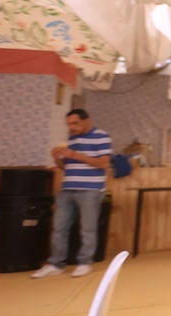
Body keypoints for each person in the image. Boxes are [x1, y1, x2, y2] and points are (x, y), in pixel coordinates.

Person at [32, 108, 112, 278]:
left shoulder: (101, 136)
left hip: (91, 189)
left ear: (87, 120)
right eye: (69, 124)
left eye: (75, 123)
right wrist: (57, 158)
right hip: (67, 188)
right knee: (59, 227)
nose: (72, 127)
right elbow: (66, 167)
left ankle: (85, 263)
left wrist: (76, 154)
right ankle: (56, 264)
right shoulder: (72, 139)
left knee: (87, 228)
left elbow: (103, 163)